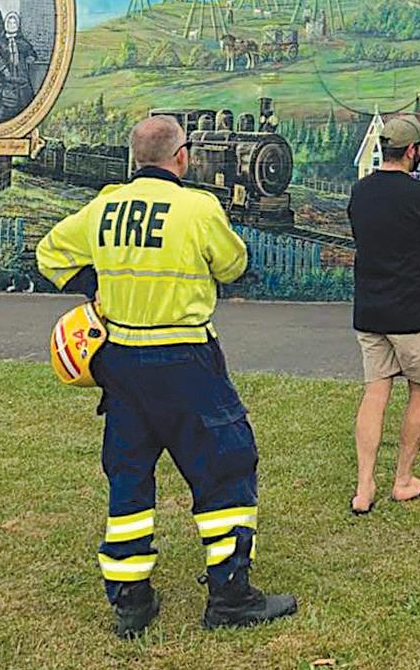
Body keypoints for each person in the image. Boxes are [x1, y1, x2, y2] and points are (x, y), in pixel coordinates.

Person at [35, 115, 296, 639]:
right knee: (226, 465)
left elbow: (49, 254)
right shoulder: (198, 207)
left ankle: (131, 601)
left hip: (121, 362)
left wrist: (95, 285)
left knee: (129, 475)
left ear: (136, 159)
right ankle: (229, 595)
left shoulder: (105, 205)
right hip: (186, 361)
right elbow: (233, 265)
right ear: (182, 157)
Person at [347, 115, 420, 512]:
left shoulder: (360, 192)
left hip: (371, 306)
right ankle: (404, 479)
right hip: (413, 308)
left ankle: (364, 487)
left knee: (375, 391)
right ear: (411, 151)